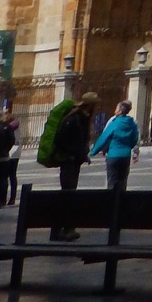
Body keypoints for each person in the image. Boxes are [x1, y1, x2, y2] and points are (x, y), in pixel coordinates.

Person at [49, 91, 97, 239]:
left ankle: (67, 228)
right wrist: (77, 153)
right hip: (68, 161)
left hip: (73, 160)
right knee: (67, 194)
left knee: (69, 193)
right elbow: (60, 140)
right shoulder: (74, 118)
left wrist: (82, 153)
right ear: (91, 105)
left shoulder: (81, 118)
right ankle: (61, 230)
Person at [93, 99, 141, 193]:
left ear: (120, 111)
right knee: (122, 181)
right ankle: (121, 202)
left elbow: (103, 138)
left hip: (113, 155)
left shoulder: (114, 122)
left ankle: (112, 203)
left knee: (112, 181)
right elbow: (135, 138)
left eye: (116, 108)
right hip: (126, 155)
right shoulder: (132, 123)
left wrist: (93, 151)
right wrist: (128, 147)